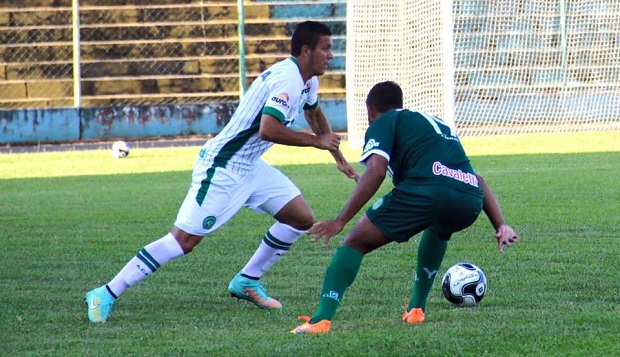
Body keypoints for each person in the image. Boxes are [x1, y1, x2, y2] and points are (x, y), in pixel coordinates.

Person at [85, 20, 359, 323]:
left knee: (300, 217)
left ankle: (246, 281)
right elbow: (268, 129)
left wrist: (336, 155)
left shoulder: (307, 80)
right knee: (183, 241)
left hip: (251, 166)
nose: (331, 55)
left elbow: (314, 113)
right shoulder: (288, 80)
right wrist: (316, 142)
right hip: (224, 167)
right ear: (306, 51)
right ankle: (105, 293)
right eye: (326, 49)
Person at [291, 81, 518, 334]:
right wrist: (501, 224)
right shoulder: (437, 123)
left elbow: (376, 170)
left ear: (370, 110)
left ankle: (321, 319)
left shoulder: (384, 121)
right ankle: (416, 309)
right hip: (469, 199)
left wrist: (340, 220)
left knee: (355, 242)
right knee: (439, 229)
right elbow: (478, 179)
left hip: (428, 191)